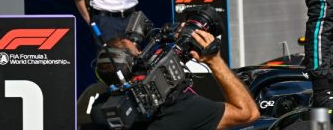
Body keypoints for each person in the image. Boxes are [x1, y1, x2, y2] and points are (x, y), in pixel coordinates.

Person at [92, 29, 259, 129]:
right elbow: (248, 113)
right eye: (140, 53)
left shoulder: (100, 111)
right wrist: (215, 61)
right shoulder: (180, 108)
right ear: (138, 69)